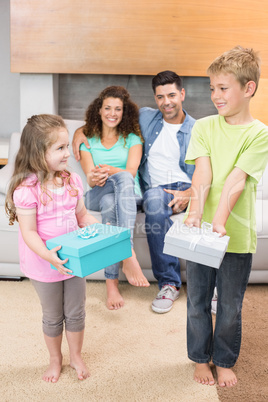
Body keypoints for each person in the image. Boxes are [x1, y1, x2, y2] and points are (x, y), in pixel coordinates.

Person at [73, 72, 196, 314]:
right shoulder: (147, 118)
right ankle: (151, 270)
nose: (166, 102)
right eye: (160, 97)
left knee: (111, 201)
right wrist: (79, 131)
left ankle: (114, 283)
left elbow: (208, 164)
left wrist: (194, 192)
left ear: (182, 94)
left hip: (181, 186)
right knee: (136, 193)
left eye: (172, 95)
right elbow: (104, 121)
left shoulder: (199, 128)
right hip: (150, 191)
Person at [184, 46, 268, 387]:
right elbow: (203, 173)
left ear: (248, 88)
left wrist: (220, 221)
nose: (215, 96)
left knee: (230, 306)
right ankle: (200, 358)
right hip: (202, 232)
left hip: (236, 234)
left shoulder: (259, 133)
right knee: (197, 301)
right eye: (212, 88)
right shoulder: (204, 126)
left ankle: (224, 359)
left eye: (223, 88)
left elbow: (236, 178)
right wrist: (197, 212)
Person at [5, 114, 100, 383]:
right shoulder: (27, 190)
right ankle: (55, 359)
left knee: (76, 312)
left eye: (67, 146)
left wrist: (99, 230)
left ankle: (76, 356)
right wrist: (49, 255)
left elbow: (82, 215)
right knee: (53, 315)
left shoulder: (72, 180)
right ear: (38, 153)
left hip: (73, 262)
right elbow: (29, 232)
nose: (68, 154)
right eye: (60, 148)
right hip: (43, 263)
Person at [78, 86, 150, 311]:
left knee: (116, 194)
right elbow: (89, 179)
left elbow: (131, 172)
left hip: (129, 196)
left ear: (124, 112)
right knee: (113, 189)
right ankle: (127, 253)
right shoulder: (87, 139)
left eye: (118, 109)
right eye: (108, 108)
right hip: (96, 193)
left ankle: (111, 284)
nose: (112, 113)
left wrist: (109, 169)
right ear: (99, 110)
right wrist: (97, 176)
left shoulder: (133, 139)